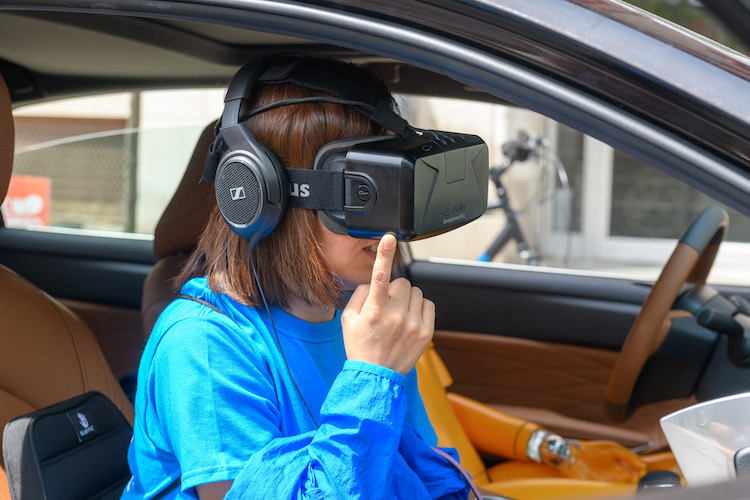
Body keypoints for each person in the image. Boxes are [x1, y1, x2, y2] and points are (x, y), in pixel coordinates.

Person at [122, 56, 473, 500]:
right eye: (363, 193)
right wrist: (372, 377)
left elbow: (417, 471)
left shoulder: (361, 323)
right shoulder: (203, 345)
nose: (389, 224)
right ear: (264, 193)